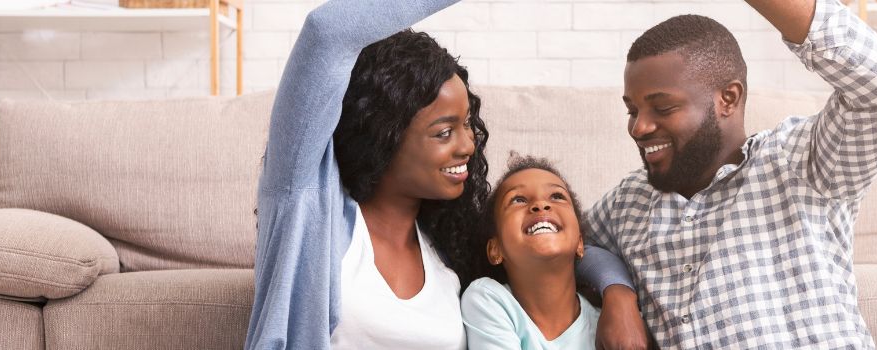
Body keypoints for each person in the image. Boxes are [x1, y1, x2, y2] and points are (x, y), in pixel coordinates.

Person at [244, 1, 642, 348]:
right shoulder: (309, 211)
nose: (467, 145)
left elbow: (557, 245)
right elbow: (326, 32)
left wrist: (619, 293)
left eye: (467, 125)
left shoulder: (448, 247)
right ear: (385, 134)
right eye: (444, 131)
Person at [583, 0, 877, 348]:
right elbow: (570, 244)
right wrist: (617, 293)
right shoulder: (628, 202)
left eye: (662, 108)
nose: (639, 127)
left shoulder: (801, 161)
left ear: (728, 98)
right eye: (632, 110)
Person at [462, 155, 600, 349]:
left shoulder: (606, 325)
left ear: (580, 243)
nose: (540, 205)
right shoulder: (488, 299)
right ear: (495, 250)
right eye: (518, 200)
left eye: (557, 196)